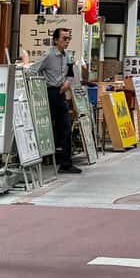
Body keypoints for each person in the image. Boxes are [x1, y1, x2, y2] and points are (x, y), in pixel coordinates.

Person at [23, 28, 81, 174]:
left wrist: (67, 82)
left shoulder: (67, 55)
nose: (67, 41)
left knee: (66, 127)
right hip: (49, 92)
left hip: (61, 93)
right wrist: (40, 85)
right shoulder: (49, 55)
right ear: (55, 40)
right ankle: (40, 160)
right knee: (46, 127)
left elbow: (70, 73)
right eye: (64, 38)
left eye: (68, 38)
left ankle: (66, 163)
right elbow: (32, 70)